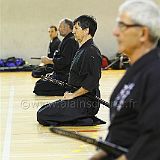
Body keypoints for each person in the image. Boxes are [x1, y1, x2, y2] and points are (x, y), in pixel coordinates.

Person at [90, 0, 160, 160]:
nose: (115, 32)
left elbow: (155, 136)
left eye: (122, 26)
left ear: (143, 33)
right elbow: (126, 128)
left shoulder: (155, 73)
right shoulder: (136, 69)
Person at [37, 15, 105, 126]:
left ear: (86, 30)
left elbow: (92, 81)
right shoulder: (83, 49)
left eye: (76, 28)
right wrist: (70, 93)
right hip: (78, 98)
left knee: (43, 115)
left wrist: (73, 95)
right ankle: (81, 117)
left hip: (87, 102)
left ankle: (86, 120)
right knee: (44, 110)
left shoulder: (91, 51)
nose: (73, 31)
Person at [33, 19, 79, 96]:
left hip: (65, 76)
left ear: (67, 27)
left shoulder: (70, 41)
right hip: (60, 73)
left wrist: (50, 61)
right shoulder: (67, 40)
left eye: (60, 27)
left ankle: (68, 89)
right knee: (40, 82)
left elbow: (65, 61)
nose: (59, 29)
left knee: (39, 87)